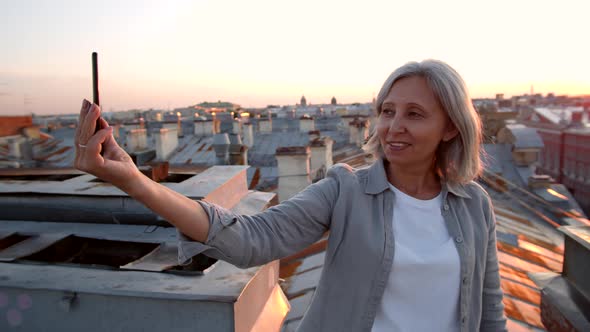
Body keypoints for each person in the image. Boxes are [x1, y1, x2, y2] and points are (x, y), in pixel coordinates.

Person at [75, 59, 507, 332]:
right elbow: (249, 240)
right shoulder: (346, 190)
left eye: (414, 114)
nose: (393, 126)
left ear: (450, 127)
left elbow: (489, 315)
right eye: (387, 111)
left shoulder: (474, 206)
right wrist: (133, 180)